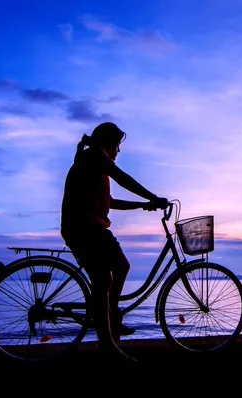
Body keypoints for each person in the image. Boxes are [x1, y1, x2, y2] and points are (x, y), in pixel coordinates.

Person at [60, 122, 169, 362]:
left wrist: (142, 205)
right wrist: (152, 197)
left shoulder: (94, 164)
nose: (118, 151)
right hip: (83, 227)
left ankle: (111, 316)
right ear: (108, 143)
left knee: (121, 266)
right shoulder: (94, 156)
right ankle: (106, 344)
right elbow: (123, 178)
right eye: (118, 145)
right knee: (103, 279)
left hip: (91, 226)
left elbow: (110, 201)